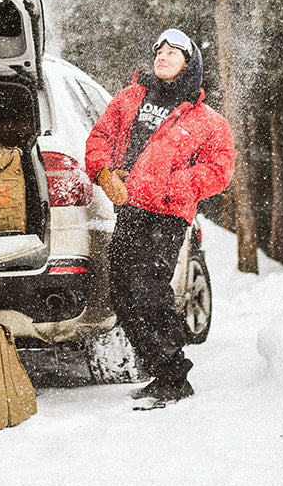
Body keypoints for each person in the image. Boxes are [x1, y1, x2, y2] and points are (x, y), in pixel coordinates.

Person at [85, 28, 234, 410]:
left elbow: (219, 171)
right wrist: (103, 171)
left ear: (189, 63)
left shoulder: (207, 121)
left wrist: (170, 185)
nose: (162, 57)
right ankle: (159, 371)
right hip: (130, 209)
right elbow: (100, 137)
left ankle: (173, 377)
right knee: (122, 291)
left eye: (172, 52)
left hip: (167, 214)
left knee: (148, 290)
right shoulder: (129, 98)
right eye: (159, 51)